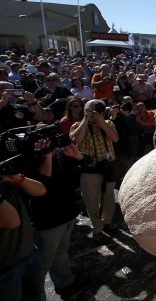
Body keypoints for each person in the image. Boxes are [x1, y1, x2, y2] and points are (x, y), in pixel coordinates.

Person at [29, 141, 92, 293]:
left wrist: (77, 155)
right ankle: (34, 293)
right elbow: (42, 185)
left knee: (60, 252)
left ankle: (64, 282)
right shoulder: (32, 159)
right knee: (42, 262)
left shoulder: (60, 153)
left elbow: (88, 162)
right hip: (49, 221)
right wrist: (46, 158)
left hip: (67, 214)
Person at [0, 148, 48, 301]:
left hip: (30, 256)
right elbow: (12, 221)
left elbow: (40, 190)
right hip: (5, 271)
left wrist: (18, 178)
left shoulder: (4, 179)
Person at [70, 99, 119, 240]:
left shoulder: (108, 124)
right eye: (91, 110)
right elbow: (76, 140)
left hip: (108, 168)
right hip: (89, 170)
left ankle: (107, 222)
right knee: (92, 200)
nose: (95, 113)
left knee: (109, 197)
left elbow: (115, 138)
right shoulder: (77, 126)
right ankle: (97, 227)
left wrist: (101, 121)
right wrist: (86, 120)